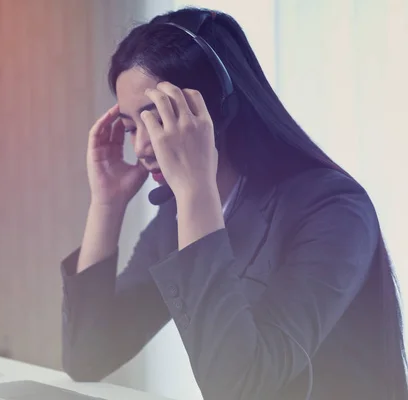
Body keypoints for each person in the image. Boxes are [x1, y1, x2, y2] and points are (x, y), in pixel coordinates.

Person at [59, 6, 408, 400]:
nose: (139, 146)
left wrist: (195, 194)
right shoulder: (178, 214)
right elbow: (88, 357)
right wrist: (107, 206)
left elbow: (239, 387)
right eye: (129, 127)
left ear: (217, 110)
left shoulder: (335, 211)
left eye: (157, 120)